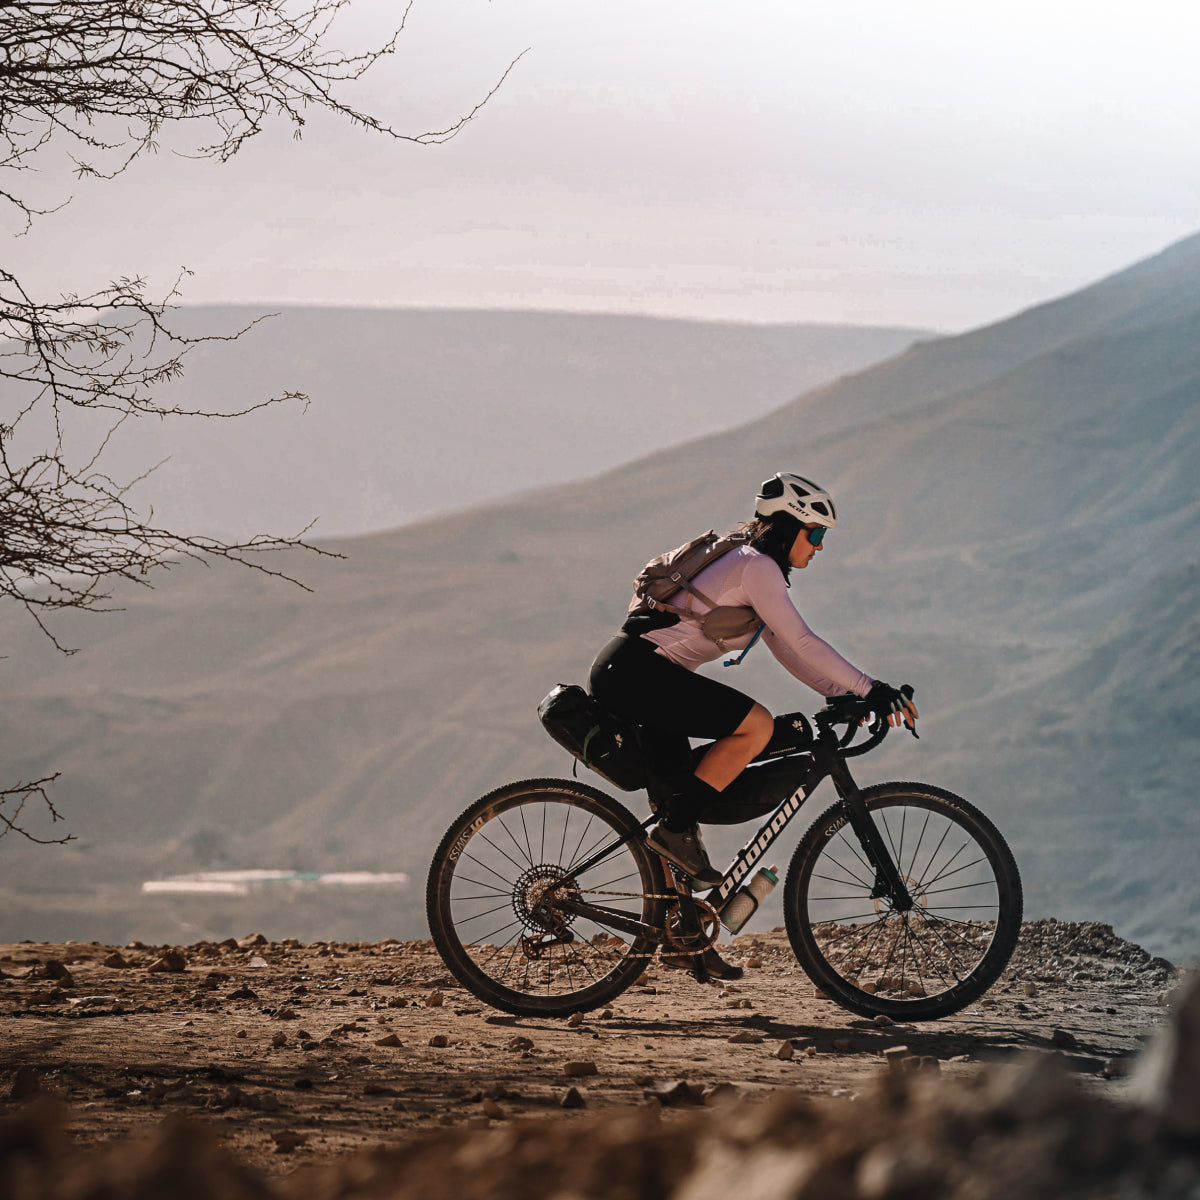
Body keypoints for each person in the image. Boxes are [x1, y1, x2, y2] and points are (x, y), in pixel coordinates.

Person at [588, 472, 918, 978]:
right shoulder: (755, 567)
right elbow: (804, 641)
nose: (821, 547)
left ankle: (686, 940)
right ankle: (674, 833)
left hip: (640, 675)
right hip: (638, 674)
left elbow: (788, 650)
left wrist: (845, 694)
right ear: (788, 528)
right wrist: (870, 687)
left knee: (681, 797)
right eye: (817, 533)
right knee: (755, 726)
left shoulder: (751, 566)